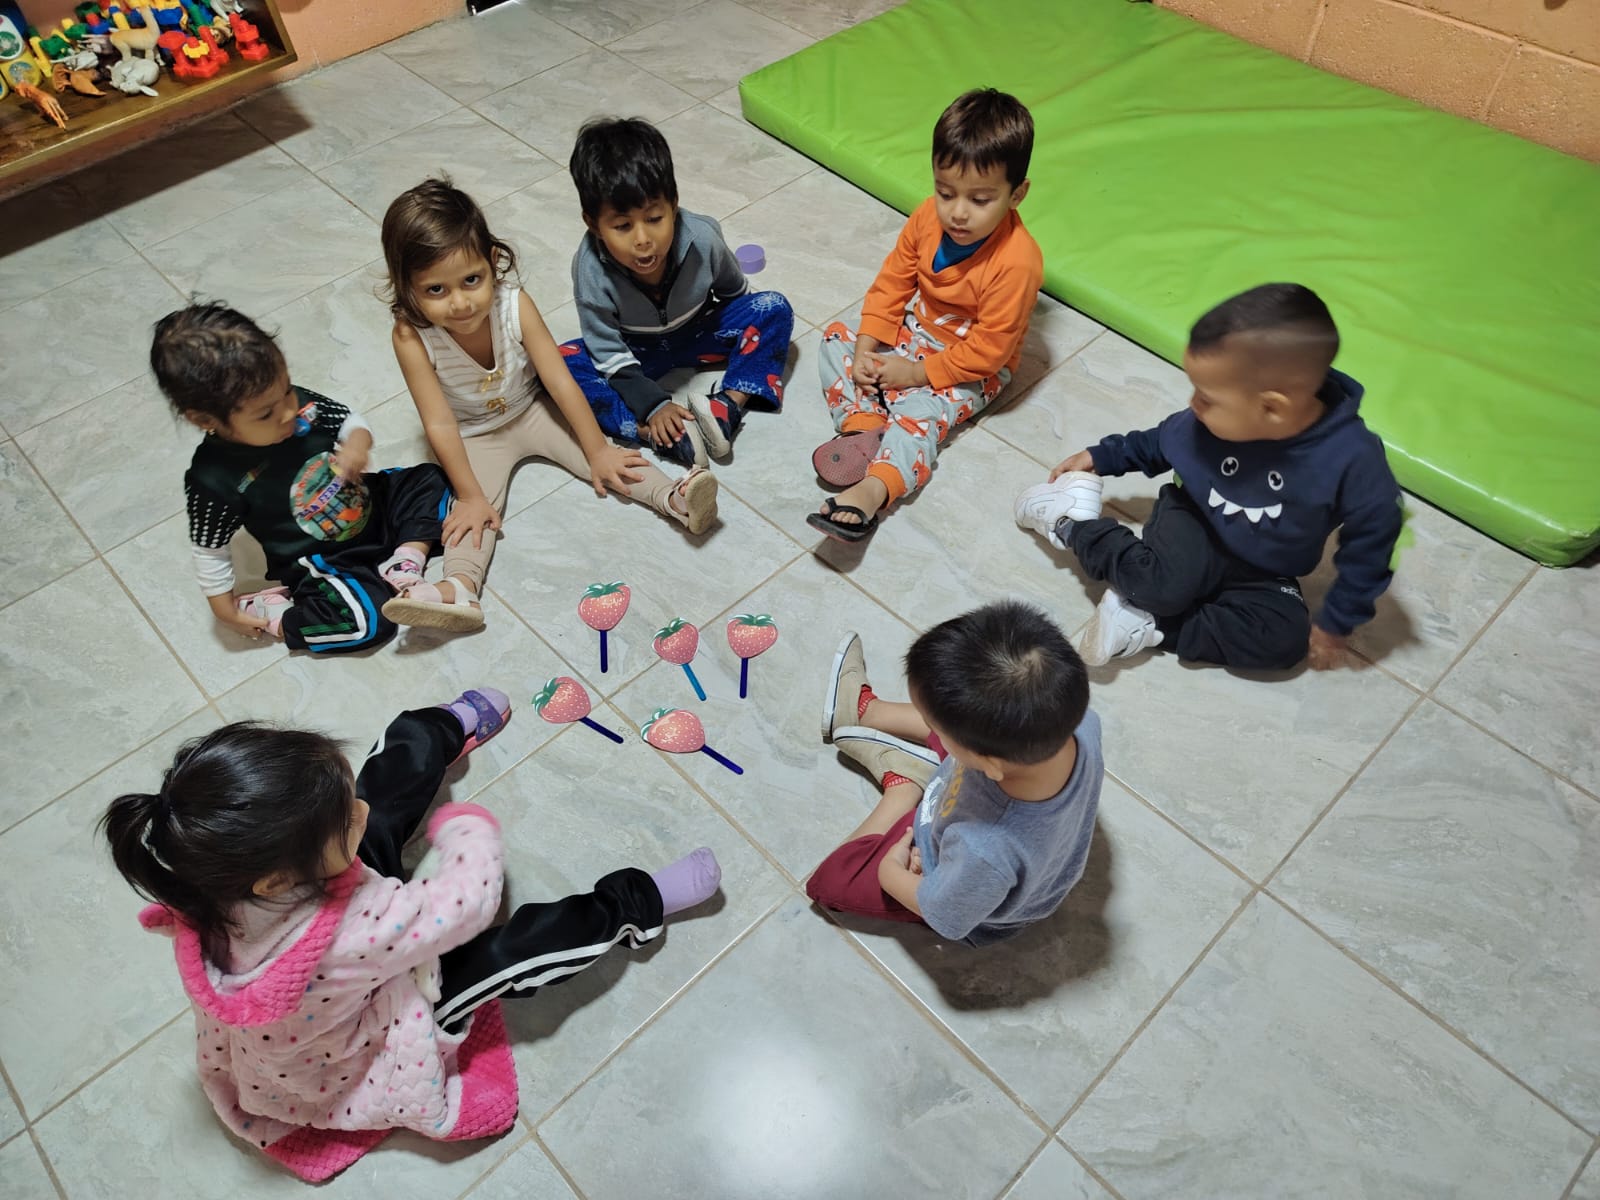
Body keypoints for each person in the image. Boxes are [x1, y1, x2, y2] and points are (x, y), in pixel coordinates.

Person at [102, 688, 721, 1182]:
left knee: (378, 800)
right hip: (376, 1032)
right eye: (344, 821)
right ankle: (635, 904)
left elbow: (350, 825)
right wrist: (468, 829)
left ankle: (438, 729)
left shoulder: (209, 880)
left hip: (318, 983)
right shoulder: (357, 933)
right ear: (277, 880)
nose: (359, 813)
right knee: (506, 952)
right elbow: (467, 903)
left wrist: (340, 829)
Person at [380, 178, 719, 630]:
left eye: (471, 280)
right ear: (407, 288)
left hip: (535, 408)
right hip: (473, 435)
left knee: (610, 458)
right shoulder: (410, 335)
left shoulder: (514, 304)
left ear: (493, 262)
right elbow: (438, 423)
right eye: (435, 290)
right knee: (471, 516)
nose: (460, 303)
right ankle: (458, 587)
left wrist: (596, 449)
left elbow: (559, 381)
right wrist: (470, 495)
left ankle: (674, 499)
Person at [1015, 283, 1402, 671]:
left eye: (1206, 397)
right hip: (1194, 519)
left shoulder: (1354, 462)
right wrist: (1104, 456)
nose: (1193, 405)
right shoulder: (1213, 417)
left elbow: (1371, 546)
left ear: (1272, 408)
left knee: (1286, 640)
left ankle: (1154, 625)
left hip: (1267, 568)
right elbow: (1164, 440)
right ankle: (1069, 521)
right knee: (1162, 587)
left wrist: (1339, 618)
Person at [156, 302, 473, 654]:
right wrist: (224, 610)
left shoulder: (296, 403)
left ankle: (405, 560)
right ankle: (277, 615)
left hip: (369, 505)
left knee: (432, 477)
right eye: (266, 414)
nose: (289, 412)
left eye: (286, 391)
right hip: (321, 558)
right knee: (367, 623)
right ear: (205, 420)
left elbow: (349, 420)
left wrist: (357, 442)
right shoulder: (212, 478)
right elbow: (209, 550)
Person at [808, 88, 1043, 543]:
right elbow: (892, 283)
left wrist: (915, 374)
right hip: (915, 337)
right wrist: (867, 351)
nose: (957, 213)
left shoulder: (1018, 262)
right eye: (945, 192)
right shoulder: (925, 218)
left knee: (920, 410)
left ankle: (875, 489)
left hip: (972, 367)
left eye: (980, 200)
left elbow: (990, 352)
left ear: (1017, 194)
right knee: (836, 337)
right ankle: (864, 428)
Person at [806, 602, 1102, 946]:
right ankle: (869, 713)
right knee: (962, 721)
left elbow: (947, 915)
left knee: (829, 881)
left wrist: (891, 873)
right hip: (967, 807)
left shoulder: (987, 851)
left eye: (931, 724)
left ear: (989, 766)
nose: (931, 726)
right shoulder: (1078, 723)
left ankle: (903, 788)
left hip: (947, 876)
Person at [559, 117, 793, 466]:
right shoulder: (590, 268)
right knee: (558, 365)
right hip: (636, 351)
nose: (643, 239)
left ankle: (727, 407)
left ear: (673, 204)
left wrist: (745, 343)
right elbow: (606, 350)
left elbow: (737, 297)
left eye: (655, 219)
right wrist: (653, 406)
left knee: (773, 306)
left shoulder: (703, 237)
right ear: (594, 224)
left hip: (699, 334)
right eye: (622, 226)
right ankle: (656, 434)